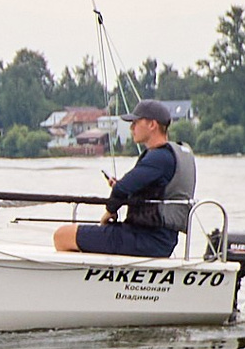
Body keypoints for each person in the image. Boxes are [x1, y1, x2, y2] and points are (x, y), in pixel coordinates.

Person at [53, 99, 200, 256]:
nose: (131, 127)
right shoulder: (170, 155)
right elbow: (146, 188)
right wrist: (122, 189)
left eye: (136, 122)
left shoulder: (159, 157)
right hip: (161, 240)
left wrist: (109, 212)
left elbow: (121, 189)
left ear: (152, 125)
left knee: (62, 236)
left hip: (145, 239)